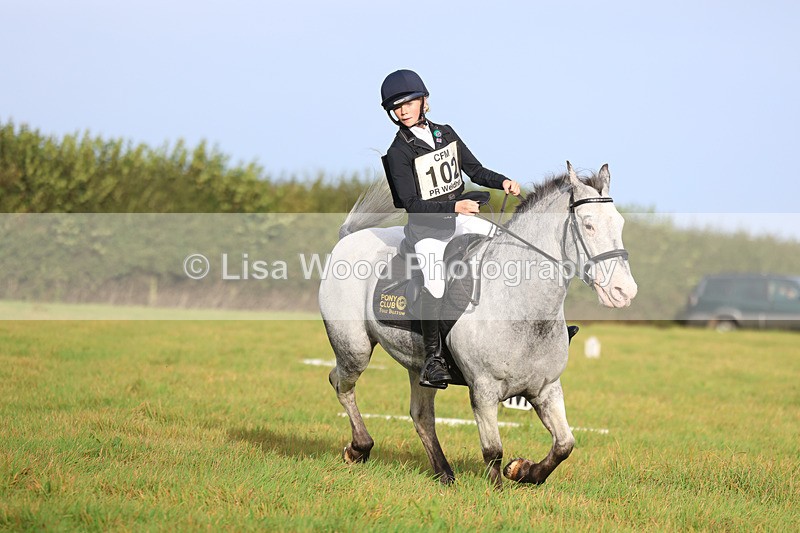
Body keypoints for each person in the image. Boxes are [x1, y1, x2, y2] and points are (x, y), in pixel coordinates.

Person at [380, 69, 521, 389]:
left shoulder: (446, 133)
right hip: (426, 231)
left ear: (423, 102)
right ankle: (433, 358)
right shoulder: (398, 153)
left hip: (458, 220)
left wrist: (502, 182)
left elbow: (473, 170)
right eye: (396, 107)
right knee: (436, 282)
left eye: (408, 103)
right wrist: (454, 206)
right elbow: (409, 203)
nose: (402, 111)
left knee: (503, 248)